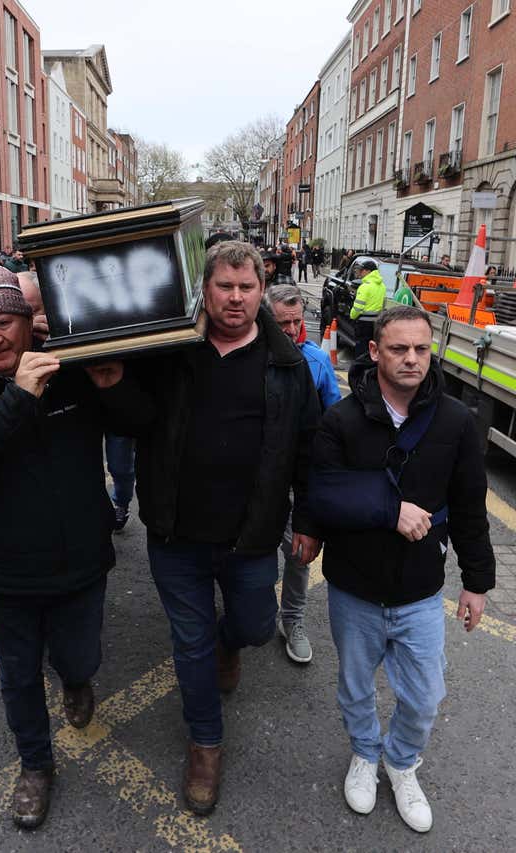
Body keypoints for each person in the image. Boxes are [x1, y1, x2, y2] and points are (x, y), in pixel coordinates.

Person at [0, 253, 152, 829]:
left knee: (80, 657)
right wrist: (19, 396)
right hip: (6, 567)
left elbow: (136, 424)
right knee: (19, 674)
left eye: (4, 322)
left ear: (28, 320)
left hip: (80, 556)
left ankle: (77, 680)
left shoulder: (69, 368)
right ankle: (35, 764)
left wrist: (115, 381)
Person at [122, 241, 320, 816]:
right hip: (176, 534)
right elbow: (131, 422)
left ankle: (229, 644)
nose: (235, 298)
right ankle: (205, 743)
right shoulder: (170, 353)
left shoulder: (288, 365)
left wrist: (306, 519)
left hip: (251, 537)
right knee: (189, 642)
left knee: (255, 626)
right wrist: (113, 384)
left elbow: (309, 449)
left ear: (262, 291)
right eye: (225, 286)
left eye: (246, 287)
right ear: (204, 291)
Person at [308, 306, 495, 833]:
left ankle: (401, 760)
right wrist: (388, 510)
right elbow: (321, 495)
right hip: (355, 588)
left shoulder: (456, 421)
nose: (411, 359)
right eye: (398, 349)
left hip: (419, 591)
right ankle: (365, 754)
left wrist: (477, 583)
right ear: (374, 352)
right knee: (355, 686)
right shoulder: (341, 420)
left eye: (420, 348)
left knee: (424, 694)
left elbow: (469, 505)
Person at [264, 284, 340, 663]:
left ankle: (292, 621)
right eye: (283, 323)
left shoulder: (316, 360)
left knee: (297, 554)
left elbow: (334, 418)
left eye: (296, 321)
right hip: (258, 480)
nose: (292, 330)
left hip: (300, 479)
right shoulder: (252, 358)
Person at [349, 259, 386, 359]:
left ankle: (360, 372)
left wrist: (352, 315)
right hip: (375, 323)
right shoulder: (382, 286)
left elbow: (357, 307)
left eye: (362, 270)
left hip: (363, 323)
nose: (360, 272)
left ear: (368, 271)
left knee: (361, 350)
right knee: (372, 349)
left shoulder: (364, 287)